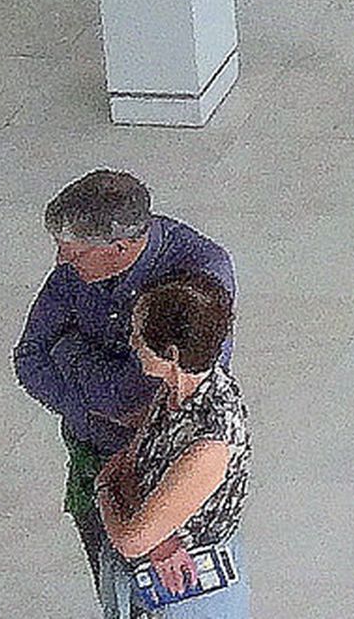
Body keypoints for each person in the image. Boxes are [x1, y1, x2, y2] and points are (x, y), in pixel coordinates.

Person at [15, 170, 235, 619]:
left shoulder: (194, 279)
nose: (61, 263)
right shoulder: (75, 272)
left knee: (161, 599)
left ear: (117, 248)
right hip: (98, 450)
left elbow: (138, 397)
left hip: (161, 491)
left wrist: (70, 351)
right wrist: (95, 413)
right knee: (115, 590)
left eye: (74, 254)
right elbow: (30, 359)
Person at [93, 271, 248, 616]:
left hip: (187, 594)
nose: (132, 342)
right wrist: (158, 543)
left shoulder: (210, 442)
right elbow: (134, 467)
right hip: (156, 576)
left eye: (138, 334)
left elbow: (131, 540)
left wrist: (103, 487)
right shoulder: (176, 390)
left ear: (172, 353)